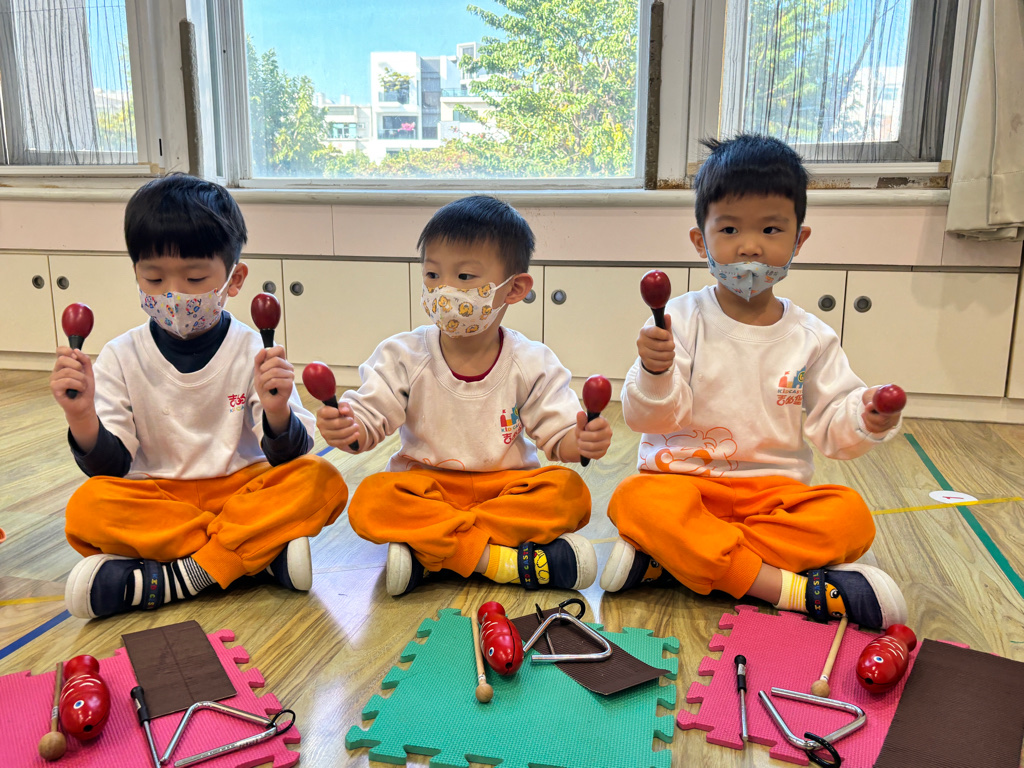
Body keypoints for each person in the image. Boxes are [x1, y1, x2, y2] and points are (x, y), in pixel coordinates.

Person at [600, 135, 907, 629]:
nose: (749, 246)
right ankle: (788, 590)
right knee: (633, 499)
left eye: (770, 228)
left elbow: (834, 428)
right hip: (684, 488)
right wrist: (655, 372)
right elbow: (647, 419)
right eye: (729, 229)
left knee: (849, 516)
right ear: (700, 240)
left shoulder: (812, 336)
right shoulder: (679, 319)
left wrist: (866, 416)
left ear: (798, 240)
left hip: (773, 499)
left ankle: (674, 560)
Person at [51, 174, 348, 619]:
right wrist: (80, 417)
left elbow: (292, 455)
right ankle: (254, 554)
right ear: (136, 274)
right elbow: (110, 468)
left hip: (242, 490)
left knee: (321, 479)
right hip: (160, 499)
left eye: (194, 277)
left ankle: (178, 576)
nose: (173, 294)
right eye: (153, 278)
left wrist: (276, 411)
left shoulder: (252, 349)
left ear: (234, 278)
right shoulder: (119, 355)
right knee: (86, 508)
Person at [317, 195, 611, 596]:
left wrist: (584, 440)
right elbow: (365, 425)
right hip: (427, 489)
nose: (444, 290)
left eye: (465, 276)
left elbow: (560, 438)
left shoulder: (531, 360)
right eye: (432, 274)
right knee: (371, 500)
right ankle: (503, 561)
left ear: (514, 288)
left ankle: (432, 551)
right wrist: (346, 426)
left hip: (506, 490)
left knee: (569, 494)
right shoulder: (403, 354)